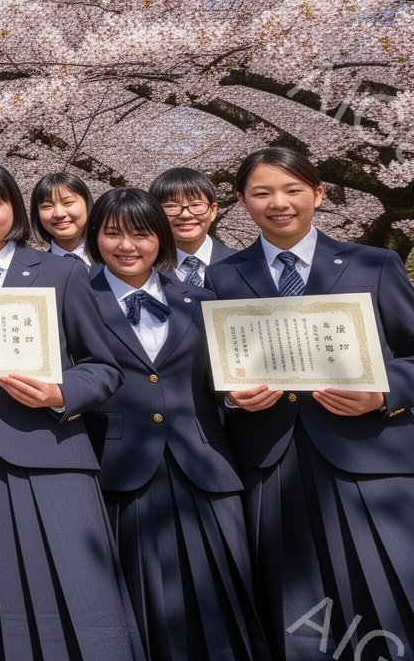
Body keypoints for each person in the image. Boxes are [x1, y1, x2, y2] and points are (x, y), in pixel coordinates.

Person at [0, 159, 138, 661]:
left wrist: (60, 395)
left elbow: (103, 366)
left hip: (49, 449)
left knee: (73, 587)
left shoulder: (60, 272)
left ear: (13, 208)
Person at [206, 147, 414, 654]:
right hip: (273, 461)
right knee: (299, 609)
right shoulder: (222, 278)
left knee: (393, 590)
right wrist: (234, 401)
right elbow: (210, 374)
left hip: (368, 457)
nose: (279, 203)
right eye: (262, 192)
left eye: (293, 189)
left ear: (318, 194)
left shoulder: (374, 264)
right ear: (241, 201)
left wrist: (384, 392)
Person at [83, 188, 265, 661]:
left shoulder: (201, 300)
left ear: (161, 238)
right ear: (94, 237)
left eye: (142, 233)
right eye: (113, 233)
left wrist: (239, 398)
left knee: (223, 596)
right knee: (144, 606)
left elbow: (222, 381)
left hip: (205, 467)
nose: (128, 246)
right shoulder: (76, 301)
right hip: (122, 473)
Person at [148, 167, 222, 287]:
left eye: (196, 204)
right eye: (171, 206)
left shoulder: (244, 264)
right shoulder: (145, 268)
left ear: (213, 211)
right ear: (155, 212)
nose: (186, 215)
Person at [31, 171, 96, 269]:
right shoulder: (33, 271)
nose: (59, 214)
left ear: (87, 203)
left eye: (68, 203)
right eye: (47, 206)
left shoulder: (112, 262)